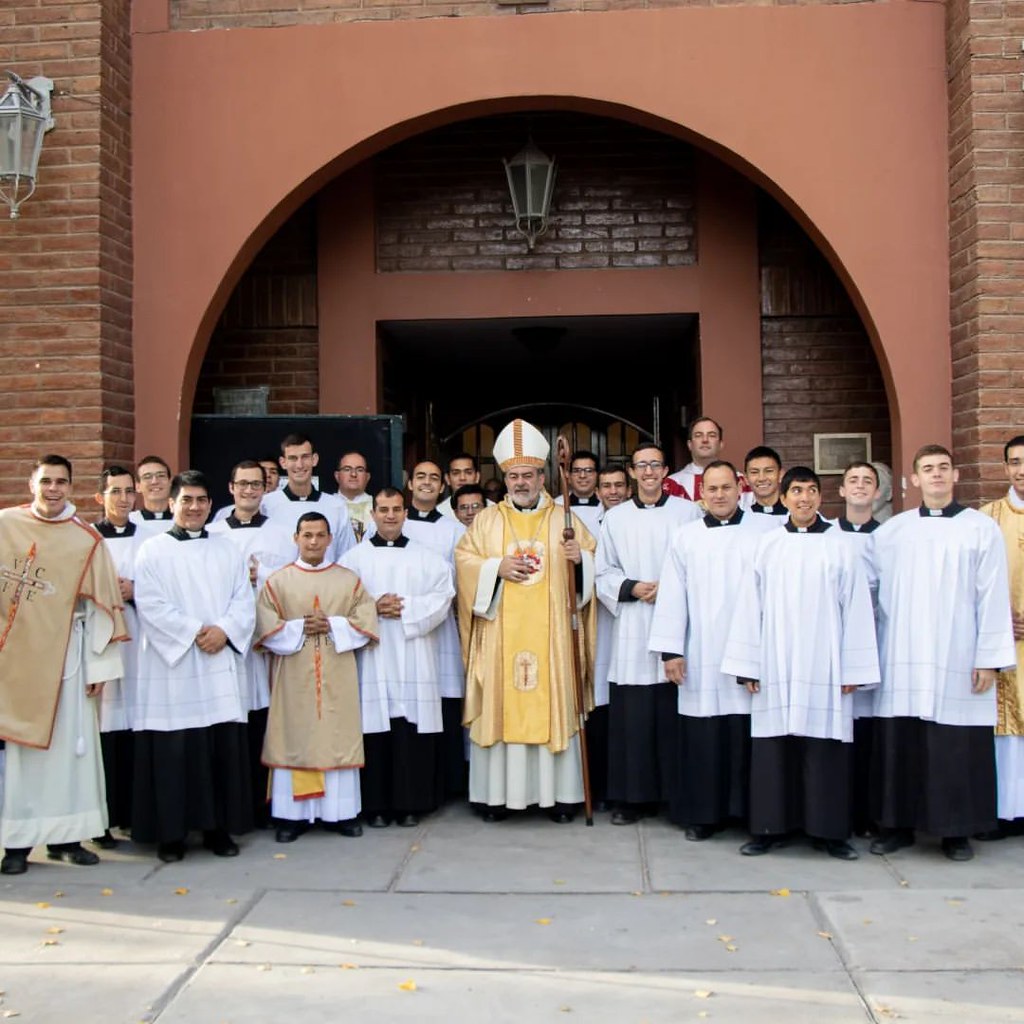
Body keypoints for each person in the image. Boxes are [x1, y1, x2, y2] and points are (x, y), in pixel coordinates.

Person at [722, 466, 879, 860]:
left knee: (824, 747)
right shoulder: (768, 545)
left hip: (824, 664)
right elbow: (749, 605)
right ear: (785, 497)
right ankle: (769, 828)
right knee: (775, 747)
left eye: (811, 491)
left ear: (820, 497)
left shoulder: (841, 546)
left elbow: (857, 609)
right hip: (775, 662)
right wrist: (748, 664)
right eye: (796, 491)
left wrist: (853, 670)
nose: (804, 498)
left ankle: (830, 833)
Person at [871, 444, 1015, 861]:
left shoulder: (979, 529)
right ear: (913, 479)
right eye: (927, 469)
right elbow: (869, 592)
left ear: (956, 476)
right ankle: (896, 826)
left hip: (957, 653)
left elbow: (992, 595)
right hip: (902, 654)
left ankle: (956, 831)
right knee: (902, 741)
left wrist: (988, 658)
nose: (936, 475)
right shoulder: (892, 532)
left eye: (943, 468)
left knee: (954, 744)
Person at [455, 419, 598, 823]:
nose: (521, 482)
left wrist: (579, 561)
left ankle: (559, 799)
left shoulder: (564, 520)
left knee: (553, 702)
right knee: (501, 704)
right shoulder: (486, 520)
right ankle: (497, 799)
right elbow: (464, 561)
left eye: (528, 475)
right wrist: (493, 568)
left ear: (542, 476)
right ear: (505, 478)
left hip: (552, 638)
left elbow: (591, 565)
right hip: (500, 635)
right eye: (513, 475)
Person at [0, 455, 128, 875]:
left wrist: (98, 668)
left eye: (61, 482)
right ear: (31, 482)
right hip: (16, 660)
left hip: (68, 659)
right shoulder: (5, 526)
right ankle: (17, 844)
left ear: (71, 487)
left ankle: (67, 838)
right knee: (22, 755)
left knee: (72, 755)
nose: (52, 489)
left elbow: (102, 610)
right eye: (46, 481)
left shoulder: (85, 540)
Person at [649, 461, 779, 840]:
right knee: (705, 737)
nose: (719, 495)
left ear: (740, 489)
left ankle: (753, 815)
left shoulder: (766, 532)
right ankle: (704, 815)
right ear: (701, 494)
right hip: (702, 651)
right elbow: (672, 595)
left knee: (748, 735)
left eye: (726, 488)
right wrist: (670, 651)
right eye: (712, 489)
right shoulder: (685, 537)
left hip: (752, 651)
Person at [132, 470, 256, 862]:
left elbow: (244, 599)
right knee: (176, 753)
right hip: (174, 670)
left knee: (219, 750)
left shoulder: (226, 549)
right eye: (186, 500)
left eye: (202, 500)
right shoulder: (152, 550)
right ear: (171, 503)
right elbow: (149, 603)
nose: (195, 507)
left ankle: (218, 830)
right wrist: (192, 632)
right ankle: (172, 835)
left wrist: (224, 631)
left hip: (217, 660)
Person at [257, 512, 379, 842]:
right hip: (293, 676)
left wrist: (334, 625)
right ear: (296, 538)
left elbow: (366, 621)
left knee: (337, 735)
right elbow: (264, 626)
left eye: (320, 535)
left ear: (329, 539)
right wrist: (298, 628)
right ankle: (291, 817)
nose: (313, 541)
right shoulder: (278, 582)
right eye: (307, 535)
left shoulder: (347, 580)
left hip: (337, 675)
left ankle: (340, 814)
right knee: (293, 736)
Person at [596, 445, 702, 824]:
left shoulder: (688, 514)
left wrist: (674, 590)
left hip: (677, 625)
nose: (648, 472)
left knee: (673, 718)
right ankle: (632, 799)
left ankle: (676, 800)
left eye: (655, 465)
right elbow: (601, 571)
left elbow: (700, 564)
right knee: (634, 721)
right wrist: (632, 587)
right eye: (641, 465)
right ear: (633, 472)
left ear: (666, 471)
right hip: (633, 625)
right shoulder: (616, 518)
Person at [339, 489, 455, 827]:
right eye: (383, 509)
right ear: (372, 514)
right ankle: (375, 806)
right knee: (374, 725)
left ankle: (412, 804)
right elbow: (339, 603)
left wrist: (406, 608)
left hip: (415, 651)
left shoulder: (428, 558)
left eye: (396, 510)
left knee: (411, 726)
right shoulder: (352, 560)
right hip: (372, 655)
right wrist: (372, 608)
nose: (390, 516)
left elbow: (444, 596)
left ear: (405, 513)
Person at [208, 460, 298, 828]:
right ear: (230, 487)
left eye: (256, 485)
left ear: (266, 489)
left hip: (265, 644)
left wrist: (260, 574)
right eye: (242, 484)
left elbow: (295, 581)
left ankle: (263, 804)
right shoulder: (212, 533)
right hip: (223, 643)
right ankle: (225, 804)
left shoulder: (281, 533)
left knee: (263, 719)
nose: (248, 490)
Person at [90, 465, 142, 849]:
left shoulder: (150, 537)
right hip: (101, 639)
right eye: (115, 492)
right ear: (100, 497)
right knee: (104, 731)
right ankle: (102, 819)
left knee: (135, 729)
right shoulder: (87, 538)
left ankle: (135, 813)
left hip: (139, 640)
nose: (123, 499)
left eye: (129, 492)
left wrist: (135, 589)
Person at [831, 461, 883, 837]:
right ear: (841, 491)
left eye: (868, 481)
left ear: (878, 492)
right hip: (832, 646)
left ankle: (868, 813)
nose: (861, 486)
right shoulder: (827, 535)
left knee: (869, 732)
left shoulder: (891, 537)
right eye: (853, 480)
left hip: (877, 641)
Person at [979, 435, 1024, 836]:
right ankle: (1002, 811)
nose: (1021, 469)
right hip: (1003, 642)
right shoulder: (987, 517)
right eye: (1014, 462)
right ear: (1005, 468)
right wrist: (997, 619)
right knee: (1002, 730)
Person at [589, 462, 632, 810]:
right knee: (600, 706)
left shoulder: (635, 522)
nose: (613, 491)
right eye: (607, 486)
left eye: (619, 485)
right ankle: (601, 787)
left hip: (634, 621)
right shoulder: (585, 525)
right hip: (597, 624)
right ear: (598, 491)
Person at [261, 433, 354, 563]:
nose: (299, 465)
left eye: (305, 457)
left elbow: (347, 557)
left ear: (314, 459)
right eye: (293, 458)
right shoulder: (266, 505)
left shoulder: (336, 506)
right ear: (283, 462)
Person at [665, 417, 727, 502]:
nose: (705, 440)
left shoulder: (738, 480)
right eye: (698, 435)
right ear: (690, 444)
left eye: (712, 435)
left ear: (720, 444)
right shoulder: (672, 484)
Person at [554, 449, 602, 535]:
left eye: (589, 470)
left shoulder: (606, 504)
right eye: (577, 471)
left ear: (597, 475)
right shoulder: (557, 505)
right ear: (568, 475)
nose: (582, 476)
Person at [130, 455, 175, 540]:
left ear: (170, 482)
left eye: (161, 475)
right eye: (147, 477)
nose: (155, 481)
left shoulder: (184, 521)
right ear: (137, 486)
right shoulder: (129, 522)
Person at [334, 451, 373, 542]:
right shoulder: (327, 505)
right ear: (337, 476)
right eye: (347, 469)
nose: (353, 474)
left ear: (367, 476)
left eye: (360, 470)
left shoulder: (378, 507)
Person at [438, 453, 491, 520]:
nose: (462, 478)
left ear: (477, 477)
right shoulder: (440, 512)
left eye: (468, 472)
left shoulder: (493, 509)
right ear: (447, 479)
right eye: (456, 473)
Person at [741, 446, 787, 515]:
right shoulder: (741, 518)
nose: (762, 478)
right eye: (754, 472)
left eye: (768, 471)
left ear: (780, 475)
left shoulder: (796, 515)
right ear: (746, 479)